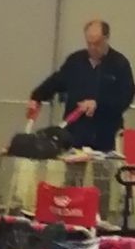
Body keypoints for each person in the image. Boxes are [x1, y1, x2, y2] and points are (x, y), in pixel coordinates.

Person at [28, 19, 135, 152]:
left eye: (97, 44)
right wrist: (36, 97)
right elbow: (56, 81)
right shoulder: (75, 61)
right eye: (89, 43)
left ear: (106, 39)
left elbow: (125, 97)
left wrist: (98, 104)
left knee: (103, 171)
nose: (92, 48)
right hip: (74, 135)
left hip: (105, 137)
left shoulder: (120, 64)